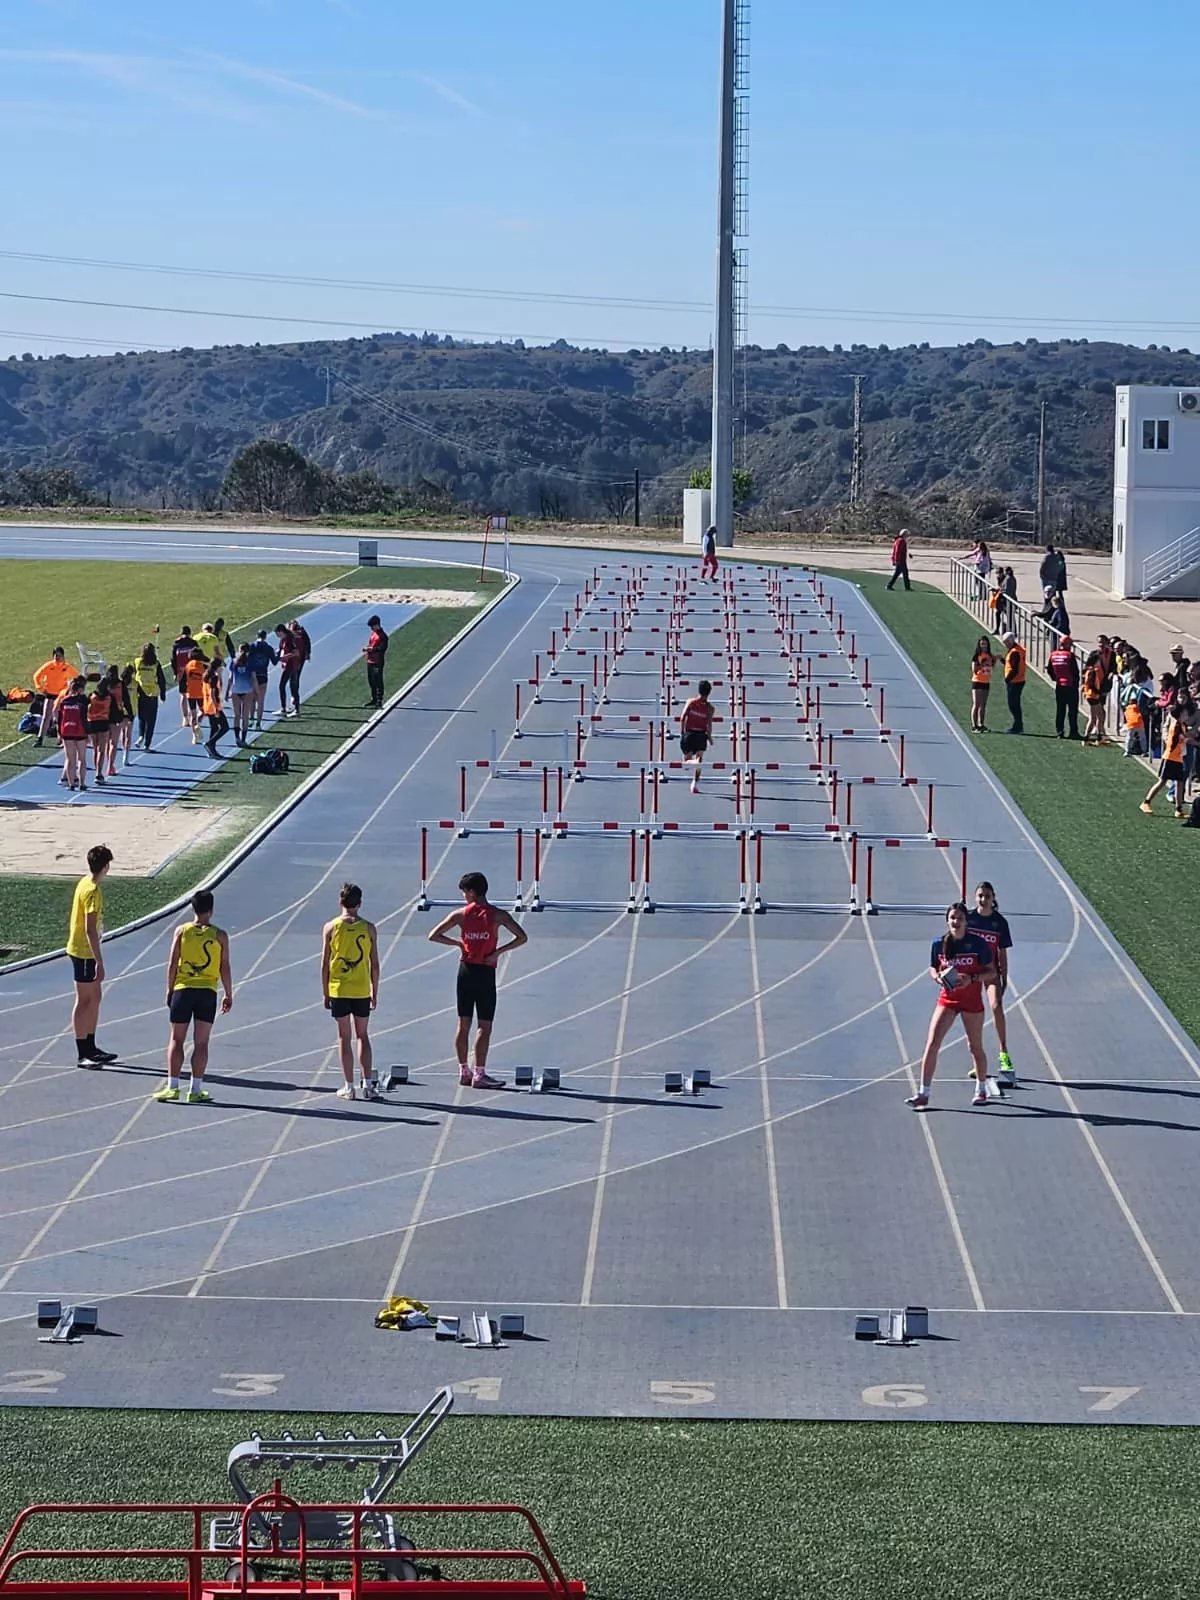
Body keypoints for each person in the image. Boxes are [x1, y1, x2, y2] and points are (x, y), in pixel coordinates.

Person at [427, 870, 528, 1090]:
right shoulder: (498, 915)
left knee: (463, 1023)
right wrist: (498, 952)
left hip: (465, 972)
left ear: (472, 892)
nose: (463, 896)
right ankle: (479, 1074)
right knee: (484, 1025)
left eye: (464, 892)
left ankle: (464, 1070)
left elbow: (433, 935)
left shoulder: (461, 915)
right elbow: (522, 937)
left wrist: (458, 944)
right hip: (485, 972)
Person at [906, 902, 999, 1110]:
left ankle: (981, 1089)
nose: (956, 922)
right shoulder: (939, 944)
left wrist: (972, 977)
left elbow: (992, 972)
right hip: (947, 999)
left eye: (960, 918)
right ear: (947, 920)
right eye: (952, 918)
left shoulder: (977, 944)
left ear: (966, 922)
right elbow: (932, 967)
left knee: (974, 1046)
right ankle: (923, 1092)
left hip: (971, 1002)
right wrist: (937, 977)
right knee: (932, 1043)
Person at [155, 888, 233, 1104]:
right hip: (206, 992)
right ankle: (195, 1089)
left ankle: (172, 1087)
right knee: (201, 1042)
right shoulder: (219, 935)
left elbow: (172, 963)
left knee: (176, 1039)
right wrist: (228, 993)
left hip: (183, 990)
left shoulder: (181, 931)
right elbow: (224, 966)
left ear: (192, 907)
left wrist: (169, 989)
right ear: (212, 909)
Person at [320, 882, 381, 1101]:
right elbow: (374, 964)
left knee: (344, 1037)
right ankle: (369, 1086)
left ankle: (349, 1086)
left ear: (340, 902)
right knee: (363, 1035)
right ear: (360, 903)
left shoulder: (331, 927)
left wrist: (325, 992)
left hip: (339, 988)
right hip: (361, 988)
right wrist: (375, 990)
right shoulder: (369, 928)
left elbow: (325, 962)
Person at [67, 843, 118, 1067]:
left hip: (85, 951)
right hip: (84, 952)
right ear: (105, 866)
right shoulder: (92, 892)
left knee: (95, 997)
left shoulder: (85, 882)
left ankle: (92, 1045)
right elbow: (89, 929)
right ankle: (82, 1053)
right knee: (84, 1000)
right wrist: (99, 961)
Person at [966, 881, 1015, 1088]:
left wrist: (1004, 978)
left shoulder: (999, 923)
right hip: (971, 972)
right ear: (975, 897)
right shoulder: (969, 919)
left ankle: (1004, 1052)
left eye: (987, 896)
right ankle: (978, 1062)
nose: (983, 899)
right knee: (972, 1015)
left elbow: (1002, 953)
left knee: (996, 1006)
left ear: (993, 898)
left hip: (991, 972)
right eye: (980, 896)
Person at [1141, 698, 1188, 818]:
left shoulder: (1182, 725)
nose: (1186, 714)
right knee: (1162, 781)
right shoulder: (1176, 726)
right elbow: (1176, 740)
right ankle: (1146, 802)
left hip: (1178, 758)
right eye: (1184, 713)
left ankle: (1178, 809)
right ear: (1180, 714)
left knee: (1180, 782)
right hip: (1170, 758)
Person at [678, 678, 715, 793]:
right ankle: (694, 783)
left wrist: (682, 733)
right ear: (709, 692)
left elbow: (682, 717)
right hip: (701, 736)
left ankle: (692, 762)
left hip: (689, 734)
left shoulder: (690, 702)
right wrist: (709, 737)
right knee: (699, 760)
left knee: (686, 762)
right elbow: (709, 724)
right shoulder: (710, 708)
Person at [32, 646, 73, 747]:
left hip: (60, 695)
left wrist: (68, 690)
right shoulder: (48, 666)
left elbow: (75, 678)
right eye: (55, 655)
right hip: (50, 694)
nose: (57, 658)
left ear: (63, 656)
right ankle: (40, 738)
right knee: (46, 716)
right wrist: (41, 689)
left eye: (59, 656)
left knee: (59, 717)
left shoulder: (67, 667)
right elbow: (36, 676)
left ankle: (61, 739)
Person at [55, 674, 89, 791]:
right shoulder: (84, 701)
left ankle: (71, 784)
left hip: (67, 731)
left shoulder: (64, 701)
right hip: (80, 731)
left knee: (70, 758)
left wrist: (59, 733)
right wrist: (88, 733)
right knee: (82, 758)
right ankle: (82, 783)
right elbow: (85, 718)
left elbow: (59, 719)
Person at [131, 643, 167, 750]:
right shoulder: (156, 664)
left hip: (140, 693)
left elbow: (131, 673)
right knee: (151, 720)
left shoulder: (137, 662)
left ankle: (141, 736)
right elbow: (161, 679)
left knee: (142, 717)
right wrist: (163, 694)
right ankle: (147, 744)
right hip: (152, 694)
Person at [1046, 633, 1080, 740]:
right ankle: (1073, 732)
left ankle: (1059, 732)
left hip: (1059, 685)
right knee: (1072, 710)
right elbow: (1075, 671)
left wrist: (1055, 678)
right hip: (1071, 685)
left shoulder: (1054, 655)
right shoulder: (1070, 655)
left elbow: (1049, 670)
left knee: (1060, 710)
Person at [86, 673, 113, 786]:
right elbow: (112, 711)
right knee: (101, 750)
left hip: (92, 723)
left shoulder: (91, 696)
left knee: (95, 749)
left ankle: (97, 771)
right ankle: (99, 773)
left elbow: (86, 709)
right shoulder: (109, 697)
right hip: (103, 723)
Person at [246, 629, 276, 730]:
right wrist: (280, 654)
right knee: (260, 701)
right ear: (265, 636)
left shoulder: (251, 647)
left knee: (252, 699)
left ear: (256, 635)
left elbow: (246, 660)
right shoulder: (268, 648)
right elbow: (275, 662)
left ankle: (251, 719)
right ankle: (258, 723)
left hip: (252, 675)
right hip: (263, 675)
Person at [227, 642, 256, 746]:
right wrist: (256, 692)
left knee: (236, 716)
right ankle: (243, 739)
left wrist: (227, 692)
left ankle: (237, 738)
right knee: (245, 716)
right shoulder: (250, 662)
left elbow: (230, 679)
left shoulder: (234, 662)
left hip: (235, 691)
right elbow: (254, 679)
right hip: (247, 691)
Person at [201, 658, 229, 759]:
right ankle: (210, 743)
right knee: (225, 727)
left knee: (214, 727)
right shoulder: (214, 677)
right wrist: (217, 709)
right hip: (214, 706)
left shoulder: (206, 675)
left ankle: (211, 749)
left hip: (207, 705)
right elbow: (213, 694)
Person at [970, 636, 996, 732]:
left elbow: (991, 666)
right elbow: (974, 670)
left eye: (985, 644)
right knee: (976, 704)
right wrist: (982, 664)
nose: (983, 646)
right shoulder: (976, 656)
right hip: (977, 682)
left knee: (983, 705)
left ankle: (981, 724)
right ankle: (974, 725)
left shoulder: (989, 655)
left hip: (986, 681)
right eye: (982, 644)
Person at [1001, 631, 1026, 734]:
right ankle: (1018, 725)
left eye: (1006, 642)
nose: (1005, 644)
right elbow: (1011, 664)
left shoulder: (1014, 652)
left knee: (1013, 704)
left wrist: (1007, 679)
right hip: (1019, 680)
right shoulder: (1017, 650)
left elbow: (1014, 669)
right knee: (1014, 704)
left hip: (1015, 681)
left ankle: (1018, 726)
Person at [275, 623, 302, 717]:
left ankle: (289, 709)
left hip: (291, 665)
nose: (277, 636)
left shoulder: (290, 639)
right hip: (287, 665)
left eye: (278, 634)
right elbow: (281, 649)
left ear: (281, 632)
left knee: (286, 686)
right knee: (289, 686)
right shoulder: (283, 640)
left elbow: (296, 652)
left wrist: (284, 657)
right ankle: (290, 708)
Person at [1081, 651, 1108, 745]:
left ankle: (1099, 737)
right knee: (1093, 718)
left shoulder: (1089, 670)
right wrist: (1099, 693)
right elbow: (1091, 685)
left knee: (1100, 715)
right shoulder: (1092, 671)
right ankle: (1086, 738)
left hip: (1092, 695)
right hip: (1092, 696)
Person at [183, 645, 208, 743]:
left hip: (191, 693)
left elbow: (184, 679)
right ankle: (198, 724)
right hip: (201, 693)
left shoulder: (188, 665)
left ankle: (194, 736)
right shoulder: (204, 666)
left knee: (192, 715)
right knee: (204, 711)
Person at [364, 614, 389, 709]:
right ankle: (374, 699)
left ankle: (379, 701)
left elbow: (382, 648)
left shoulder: (383, 636)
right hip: (370, 661)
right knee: (372, 681)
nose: (371, 628)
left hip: (378, 662)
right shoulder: (373, 634)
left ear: (377, 625)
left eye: (372, 626)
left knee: (378, 681)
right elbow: (371, 644)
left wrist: (371, 649)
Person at [171, 625, 194, 725]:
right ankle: (193, 715)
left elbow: (173, 660)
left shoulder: (176, 643)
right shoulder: (193, 643)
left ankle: (185, 718)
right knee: (193, 694)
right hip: (193, 671)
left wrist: (175, 673)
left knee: (183, 695)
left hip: (181, 671)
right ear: (189, 633)